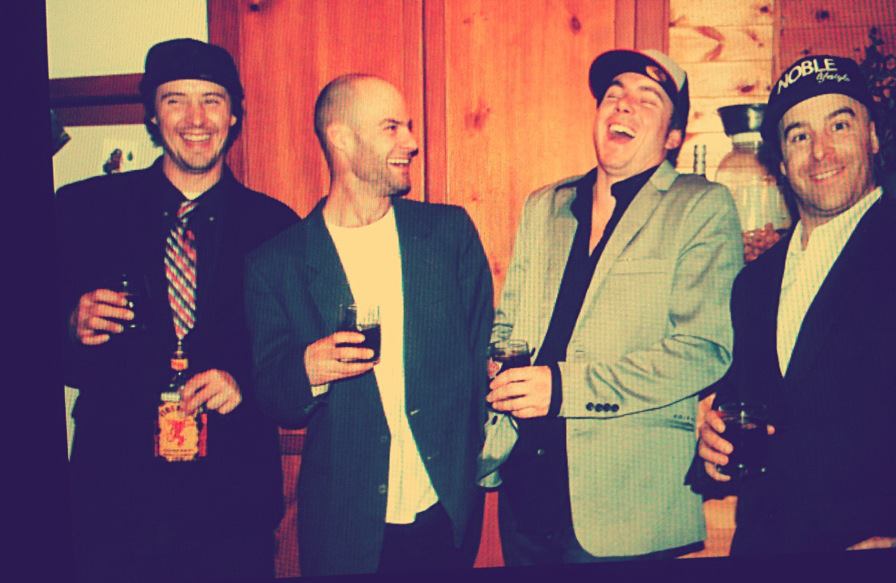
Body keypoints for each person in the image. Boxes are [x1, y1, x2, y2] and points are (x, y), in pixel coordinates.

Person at [476, 49, 743, 564]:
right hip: (525, 493)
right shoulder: (544, 205)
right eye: (614, 94)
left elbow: (704, 349)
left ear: (673, 137)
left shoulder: (701, 206)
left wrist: (563, 388)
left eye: (648, 99)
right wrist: (497, 358)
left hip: (626, 508)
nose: (623, 105)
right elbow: (510, 322)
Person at [56, 39, 298, 582]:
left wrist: (246, 383)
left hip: (231, 508)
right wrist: (66, 326)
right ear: (152, 114)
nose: (196, 119)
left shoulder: (278, 227)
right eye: (175, 100)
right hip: (111, 502)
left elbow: (296, 360)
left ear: (234, 115)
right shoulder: (82, 210)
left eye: (211, 100)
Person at [244, 74, 493, 576]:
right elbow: (273, 394)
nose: (411, 142)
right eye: (391, 127)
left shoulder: (448, 234)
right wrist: (307, 370)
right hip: (345, 527)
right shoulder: (276, 263)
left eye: (408, 127)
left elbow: (479, 360)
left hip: (445, 514)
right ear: (341, 137)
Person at [695, 54, 896, 554]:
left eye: (839, 125)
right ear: (779, 160)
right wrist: (712, 447)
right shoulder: (754, 283)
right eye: (799, 135)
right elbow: (744, 406)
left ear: (872, 136)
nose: (820, 151)